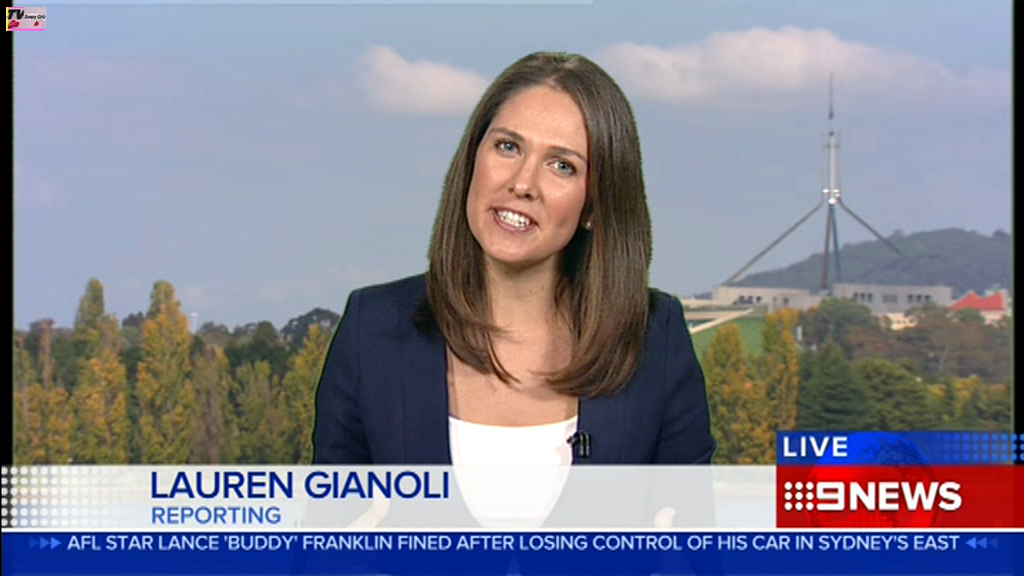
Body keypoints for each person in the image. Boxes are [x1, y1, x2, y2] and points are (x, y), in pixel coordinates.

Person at [312, 51, 715, 467]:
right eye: (508, 146)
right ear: (472, 159)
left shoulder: (656, 341)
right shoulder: (371, 329)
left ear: (595, 205)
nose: (523, 183)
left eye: (562, 166)